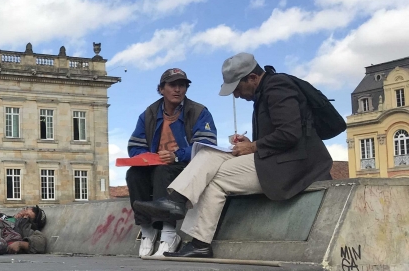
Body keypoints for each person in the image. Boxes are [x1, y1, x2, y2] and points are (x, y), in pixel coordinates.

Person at [133, 53, 333, 258]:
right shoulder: (267, 90)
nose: (236, 94)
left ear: (253, 78)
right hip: (277, 158)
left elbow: (290, 134)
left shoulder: (278, 87)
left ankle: (198, 240)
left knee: (215, 180)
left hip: (295, 166)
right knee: (209, 152)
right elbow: (280, 134)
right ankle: (176, 202)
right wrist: (249, 145)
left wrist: (254, 146)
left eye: (237, 87)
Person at [126, 67, 217, 257]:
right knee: (133, 174)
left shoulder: (199, 112)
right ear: (161, 89)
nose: (178, 90)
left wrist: (178, 155)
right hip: (157, 164)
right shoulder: (149, 113)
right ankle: (147, 231)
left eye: (182, 85)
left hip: (188, 166)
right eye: (172, 85)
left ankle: (169, 234)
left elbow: (207, 146)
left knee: (163, 170)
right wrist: (147, 157)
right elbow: (135, 145)